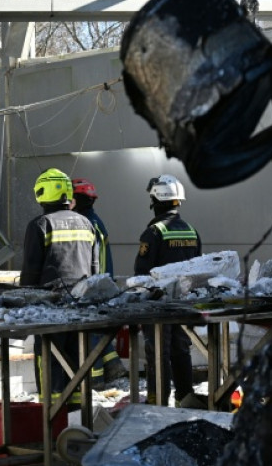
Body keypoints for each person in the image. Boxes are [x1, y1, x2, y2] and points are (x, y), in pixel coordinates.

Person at [21, 168, 98, 409]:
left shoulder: (40, 224)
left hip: (49, 308)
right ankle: (77, 417)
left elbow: (31, 271)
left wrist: (23, 303)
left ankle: (52, 417)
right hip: (82, 306)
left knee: (50, 359)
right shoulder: (87, 223)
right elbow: (95, 269)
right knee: (77, 360)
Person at [134, 174, 203, 408]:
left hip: (158, 307)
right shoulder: (192, 231)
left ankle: (157, 402)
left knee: (158, 354)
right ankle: (185, 398)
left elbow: (142, 274)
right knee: (180, 350)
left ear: (156, 201)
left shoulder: (154, 233)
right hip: (184, 305)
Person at [71, 178, 127, 389]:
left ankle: (94, 380)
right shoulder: (94, 220)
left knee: (91, 333)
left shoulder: (87, 224)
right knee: (98, 333)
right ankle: (113, 365)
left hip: (95, 285)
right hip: (103, 282)